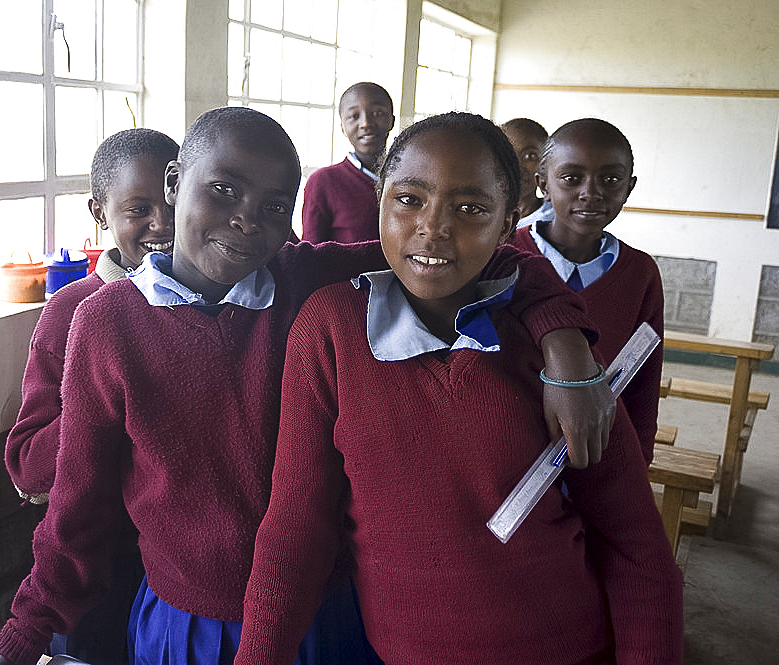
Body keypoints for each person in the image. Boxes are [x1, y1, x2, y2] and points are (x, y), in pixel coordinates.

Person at [0, 107, 613, 665]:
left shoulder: (306, 280)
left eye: (273, 206)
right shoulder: (103, 324)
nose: (245, 220)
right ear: (176, 182)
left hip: (324, 611)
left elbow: (491, 255)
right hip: (185, 624)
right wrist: (20, 640)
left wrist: (565, 345)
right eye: (223, 189)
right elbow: (75, 511)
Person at [235, 112, 683, 665]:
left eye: (470, 208)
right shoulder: (329, 330)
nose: (433, 228)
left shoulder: (555, 351)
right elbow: (294, 530)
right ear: (380, 200)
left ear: (509, 223)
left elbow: (635, 544)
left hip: (566, 643)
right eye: (409, 199)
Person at [4, 128, 179, 665]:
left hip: (178, 575)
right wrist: (109, 393)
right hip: (96, 572)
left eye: (173, 200)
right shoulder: (74, 310)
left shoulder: (211, 304)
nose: (162, 224)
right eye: (139, 209)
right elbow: (28, 468)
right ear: (99, 212)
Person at [509, 118, 663, 463]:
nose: (590, 193)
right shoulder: (505, 259)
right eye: (571, 178)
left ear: (629, 187)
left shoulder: (640, 273)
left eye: (610, 179)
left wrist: (639, 460)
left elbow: (644, 382)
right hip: (514, 453)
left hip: (601, 451)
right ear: (543, 184)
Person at [300, 82, 395, 243]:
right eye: (353, 116)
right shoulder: (324, 181)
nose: (366, 123)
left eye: (378, 113)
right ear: (343, 127)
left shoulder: (409, 177)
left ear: (391, 120)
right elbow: (311, 252)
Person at [501, 117, 550, 226]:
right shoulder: (482, 215)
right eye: (508, 155)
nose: (517, 166)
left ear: (546, 163)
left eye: (530, 156)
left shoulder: (553, 220)